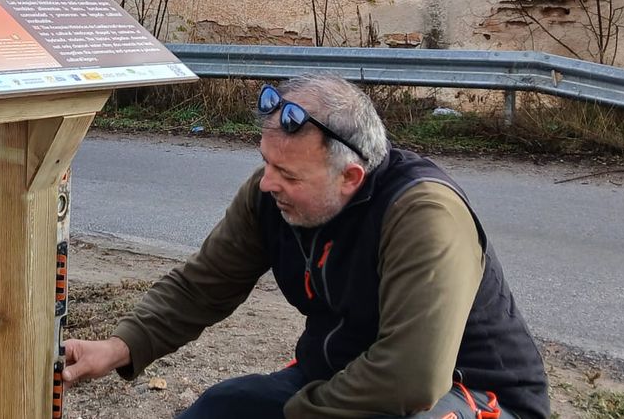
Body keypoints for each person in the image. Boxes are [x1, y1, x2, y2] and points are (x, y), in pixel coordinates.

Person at [62, 75, 549, 419]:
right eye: (267, 163)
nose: (267, 183)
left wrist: (298, 413)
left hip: (471, 393)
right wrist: (120, 347)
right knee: (221, 408)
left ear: (350, 177)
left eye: (289, 174)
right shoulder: (268, 198)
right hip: (338, 379)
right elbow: (203, 285)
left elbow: (414, 378)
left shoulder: (423, 213)